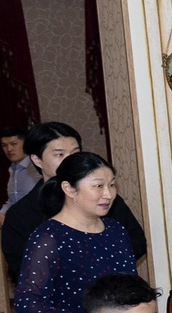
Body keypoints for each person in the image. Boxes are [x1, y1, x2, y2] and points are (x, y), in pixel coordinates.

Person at [15, 153, 140, 313]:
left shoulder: (115, 230)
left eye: (111, 185)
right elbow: (27, 300)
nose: (108, 194)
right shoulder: (49, 237)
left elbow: (133, 289)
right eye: (98, 186)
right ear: (68, 188)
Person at [2, 121, 147, 282]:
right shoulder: (20, 214)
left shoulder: (102, 198)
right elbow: (22, 269)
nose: (70, 160)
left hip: (111, 289)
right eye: (59, 154)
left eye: (75, 152)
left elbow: (137, 242)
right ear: (37, 159)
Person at [1, 126, 33, 211]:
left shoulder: (37, 167)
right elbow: (13, 201)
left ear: (26, 144)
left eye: (14, 144)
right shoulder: (12, 169)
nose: (9, 149)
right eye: (4, 145)